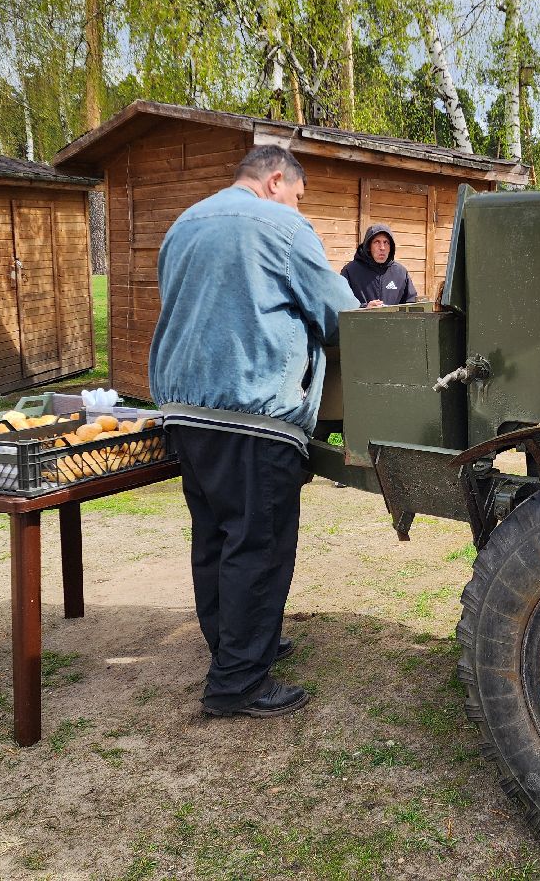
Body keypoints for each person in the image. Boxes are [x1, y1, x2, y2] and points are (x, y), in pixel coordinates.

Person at [149, 144, 358, 718]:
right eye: (297, 194)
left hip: (185, 412)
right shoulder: (284, 227)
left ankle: (238, 647)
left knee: (215, 538)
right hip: (254, 412)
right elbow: (342, 318)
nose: (297, 205)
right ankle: (238, 683)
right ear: (274, 181)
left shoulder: (184, 224)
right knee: (258, 546)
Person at [341, 224, 419, 308]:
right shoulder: (350, 271)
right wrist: (364, 308)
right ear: (368, 247)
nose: (382, 247)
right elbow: (341, 303)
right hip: (360, 321)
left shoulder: (401, 273)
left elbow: (412, 305)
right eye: (377, 242)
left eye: (386, 242)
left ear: (391, 247)